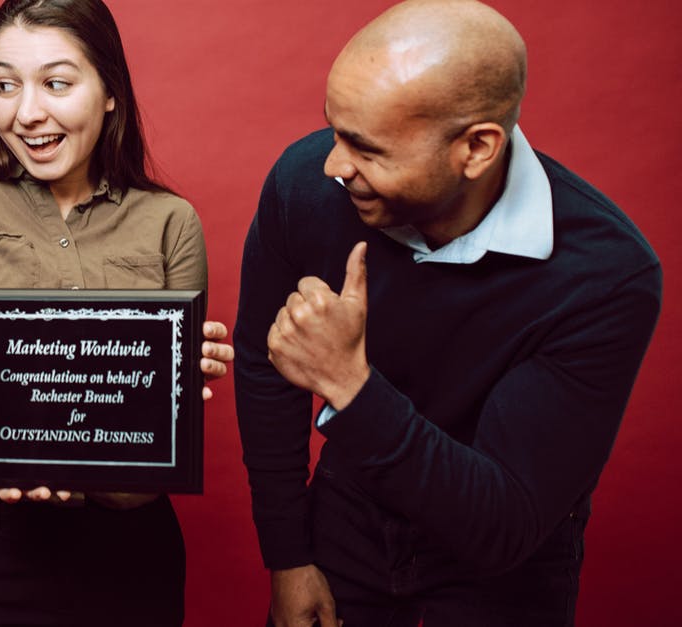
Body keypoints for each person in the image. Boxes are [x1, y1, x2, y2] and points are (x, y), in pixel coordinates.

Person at [234, 1, 662, 625]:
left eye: (367, 147)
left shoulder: (604, 276)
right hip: (344, 529)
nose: (335, 164)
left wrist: (349, 386)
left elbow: (502, 525)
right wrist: (288, 557)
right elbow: (261, 366)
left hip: (505, 569)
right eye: (334, 130)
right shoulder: (307, 185)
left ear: (477, 148)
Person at [0, 0, 233, 624]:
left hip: (130, 552)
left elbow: (166, 433)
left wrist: (177, 384)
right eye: (5, 84)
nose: (27, 112)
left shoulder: (170, 223)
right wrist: (10, 439)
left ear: (111, 92)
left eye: (57, 83)